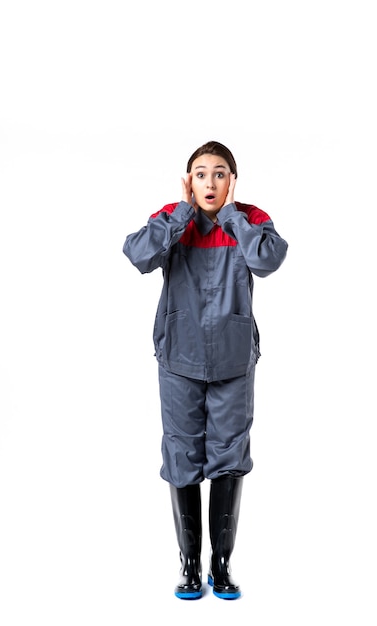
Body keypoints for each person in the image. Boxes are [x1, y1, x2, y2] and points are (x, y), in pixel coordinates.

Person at [123, 140, 288, 600]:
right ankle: (190, 564)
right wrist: (178, 215)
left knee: (230, 457)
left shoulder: (250, 220)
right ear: (188, 180)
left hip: (234, 361)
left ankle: (221, 564)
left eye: (219, 173)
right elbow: (137, 255)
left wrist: (233, 214)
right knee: (181, 456)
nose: (210, 182)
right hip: (179, 358)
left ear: (232, 180)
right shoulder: (173, 219)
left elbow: (268, 260)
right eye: (200, 173)